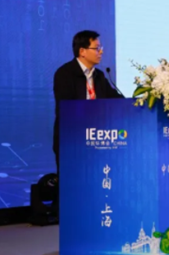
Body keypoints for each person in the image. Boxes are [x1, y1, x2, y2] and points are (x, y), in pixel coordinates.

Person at [52, 30, 123, 170]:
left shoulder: (99, 76)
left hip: (97, 141)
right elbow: (66, 109)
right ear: (82, 51)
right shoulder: (64, 74)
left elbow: (116, 99)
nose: (101, 52)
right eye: (97, 48)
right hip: (72, 141)